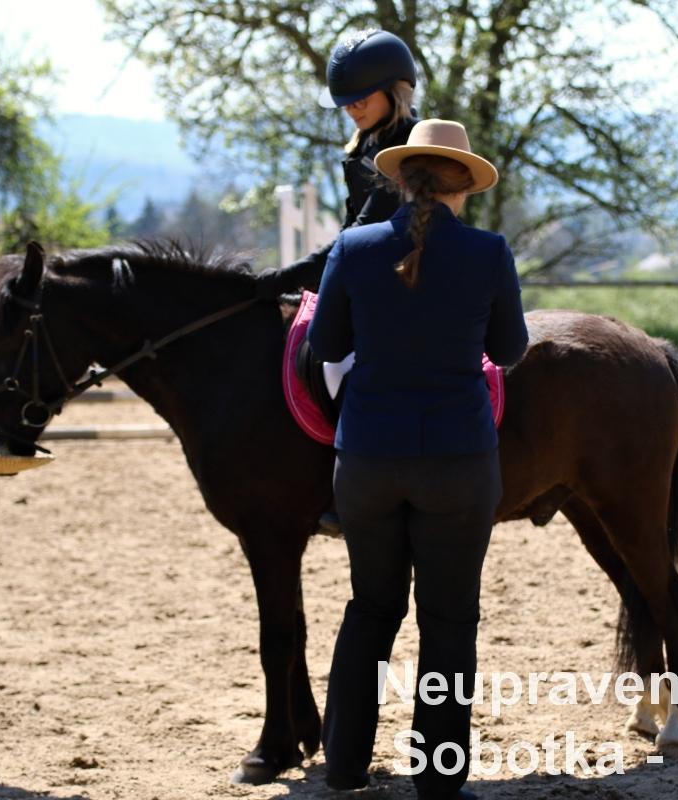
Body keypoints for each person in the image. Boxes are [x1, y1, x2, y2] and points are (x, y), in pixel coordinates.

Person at [308, 120, 529, 800]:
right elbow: (510, 349)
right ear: (464, 186)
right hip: (458, 462)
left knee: (371, 609)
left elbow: (325, 346)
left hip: (367, 461)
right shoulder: (489, 253)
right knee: (449, 620)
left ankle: (344, 767)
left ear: (402, 180)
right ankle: (437, 779)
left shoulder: (353, 247)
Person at [256, 28, 420, 299]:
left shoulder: (409, 146)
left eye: (361, 101)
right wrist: (310, 285)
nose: (351, 110)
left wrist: (287, 278)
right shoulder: (366, 145)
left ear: (394, 92)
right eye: (347, 103)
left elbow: (364, 230)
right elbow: (350, 229)